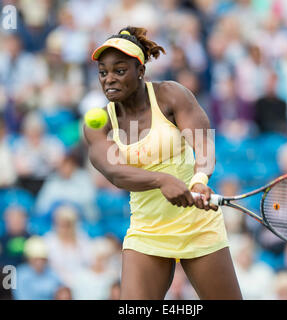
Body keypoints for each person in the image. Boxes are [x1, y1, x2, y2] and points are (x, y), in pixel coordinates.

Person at [84, 26, 242, 299]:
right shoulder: (99, 123)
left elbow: (204, 145)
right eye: (103, 72)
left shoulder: (172, 95)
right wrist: (162, 180)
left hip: (198, 226)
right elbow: (115, 174)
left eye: (119, 71)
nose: (109, 79)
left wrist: (199, 180)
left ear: (140, 70)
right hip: (147, 232)